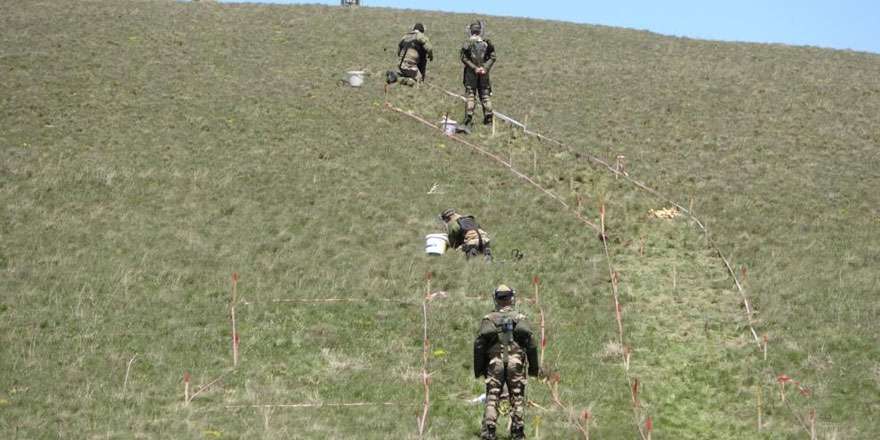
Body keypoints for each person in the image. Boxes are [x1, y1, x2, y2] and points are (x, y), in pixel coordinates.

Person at [474, 285, 539, 440]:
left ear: (496, 299)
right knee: (517, 398)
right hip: (515, 363)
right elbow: (531, 345)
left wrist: (479, 369)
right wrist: (534, 369)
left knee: (492, 397)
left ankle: (489, 430)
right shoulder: (520, 318)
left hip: (494, 363)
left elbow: (479, 346)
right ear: (511, 298)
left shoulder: (488, 319)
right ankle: (517, 432)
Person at [460, 20, 496, 129]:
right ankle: (489, 119)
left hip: (471, 73)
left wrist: (474, 68)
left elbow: (463, 58)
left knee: (471, 95)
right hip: (484, 73)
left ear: (471, 30)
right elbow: (493, 57)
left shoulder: (467, 43)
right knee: (485, 96)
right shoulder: (487, 43)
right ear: (480, 30)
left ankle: (468, 119)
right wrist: (484, 68)